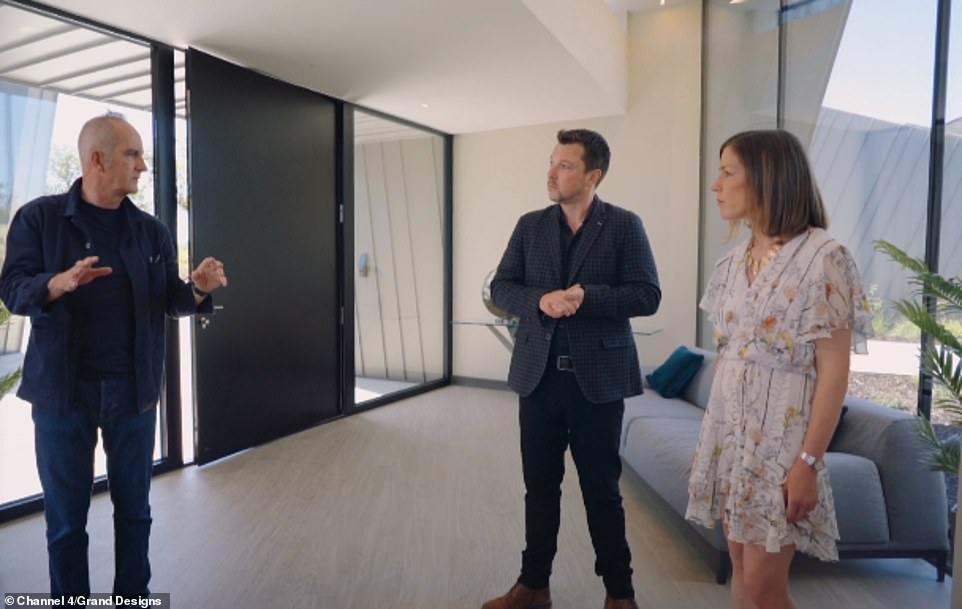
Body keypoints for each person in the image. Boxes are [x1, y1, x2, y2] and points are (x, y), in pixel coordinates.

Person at [0, 113, 228, 598]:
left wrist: (199, 289)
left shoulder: (152, 233)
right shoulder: (38, 220)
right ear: (97, 158)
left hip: (133, 395)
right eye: (134, 154)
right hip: (63, 398)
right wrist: (56, 283)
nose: (143, 166)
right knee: (65, 525)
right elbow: (13, 290)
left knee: (135, 514)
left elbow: (171, 299)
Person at [686, 129, 872, 609]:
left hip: (783, 449)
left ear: (767, 178)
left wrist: (808, 462)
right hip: (734, 440)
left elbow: (834, 372)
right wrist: (712, 443)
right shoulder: (732, 263)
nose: (716, 185)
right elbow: (731, 358)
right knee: (743, 577)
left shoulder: (824, 259)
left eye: (728, 173)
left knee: (767, 587)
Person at [483, 129, 661, 609]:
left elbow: (647, 295)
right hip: (537, 379)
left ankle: (619, 595)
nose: (551, 172)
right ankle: (532, 586)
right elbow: (502, 287)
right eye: (552, 162)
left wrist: (588, 297)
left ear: (593, 175)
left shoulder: (625, 226)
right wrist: (538, 299)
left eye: (564, 165)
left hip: (597, 385)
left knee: (601, 491)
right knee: (539, 487)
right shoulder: (529, 225)